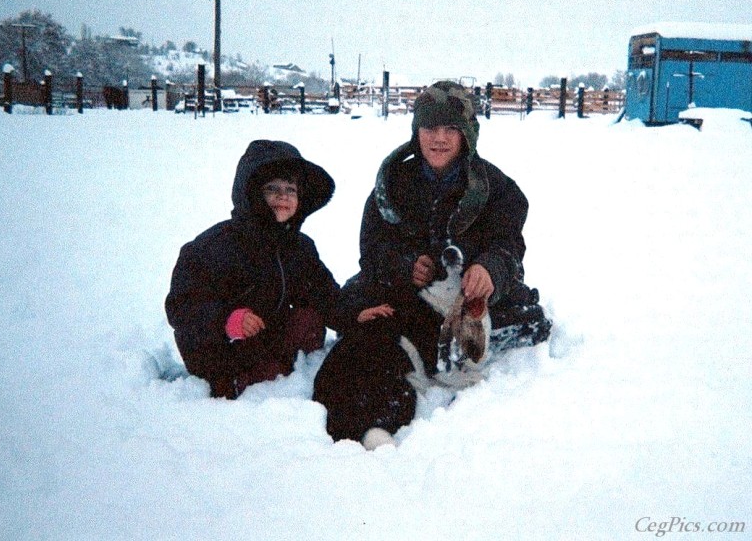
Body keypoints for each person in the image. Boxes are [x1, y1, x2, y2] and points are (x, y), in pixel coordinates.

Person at [313, 80, 552, 448]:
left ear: (466, 134)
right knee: (364, 324)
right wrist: (405, 266)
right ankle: (368, 421)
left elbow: (509, 244)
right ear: (416, 131)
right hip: (410, 297)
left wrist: (489, 269)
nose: (438, 139)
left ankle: (458, 351)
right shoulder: (392, 185)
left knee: (526, 320)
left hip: (468, 300)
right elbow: (373, 250)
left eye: (449, 129)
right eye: (429, 128)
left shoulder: (497, 188)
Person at [165, 139, 340, 399]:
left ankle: (284, 376)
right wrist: (228, 320)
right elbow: (182, 307)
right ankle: (238, 388)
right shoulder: (214, 246)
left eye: (291, 189)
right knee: (256, 371)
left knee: (308, 320)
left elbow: (325, 295)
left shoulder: (299, 247)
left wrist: (356, 314)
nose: (283, 196)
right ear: (252, 194)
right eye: (273, 189)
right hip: (223, 349)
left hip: (266, 337)